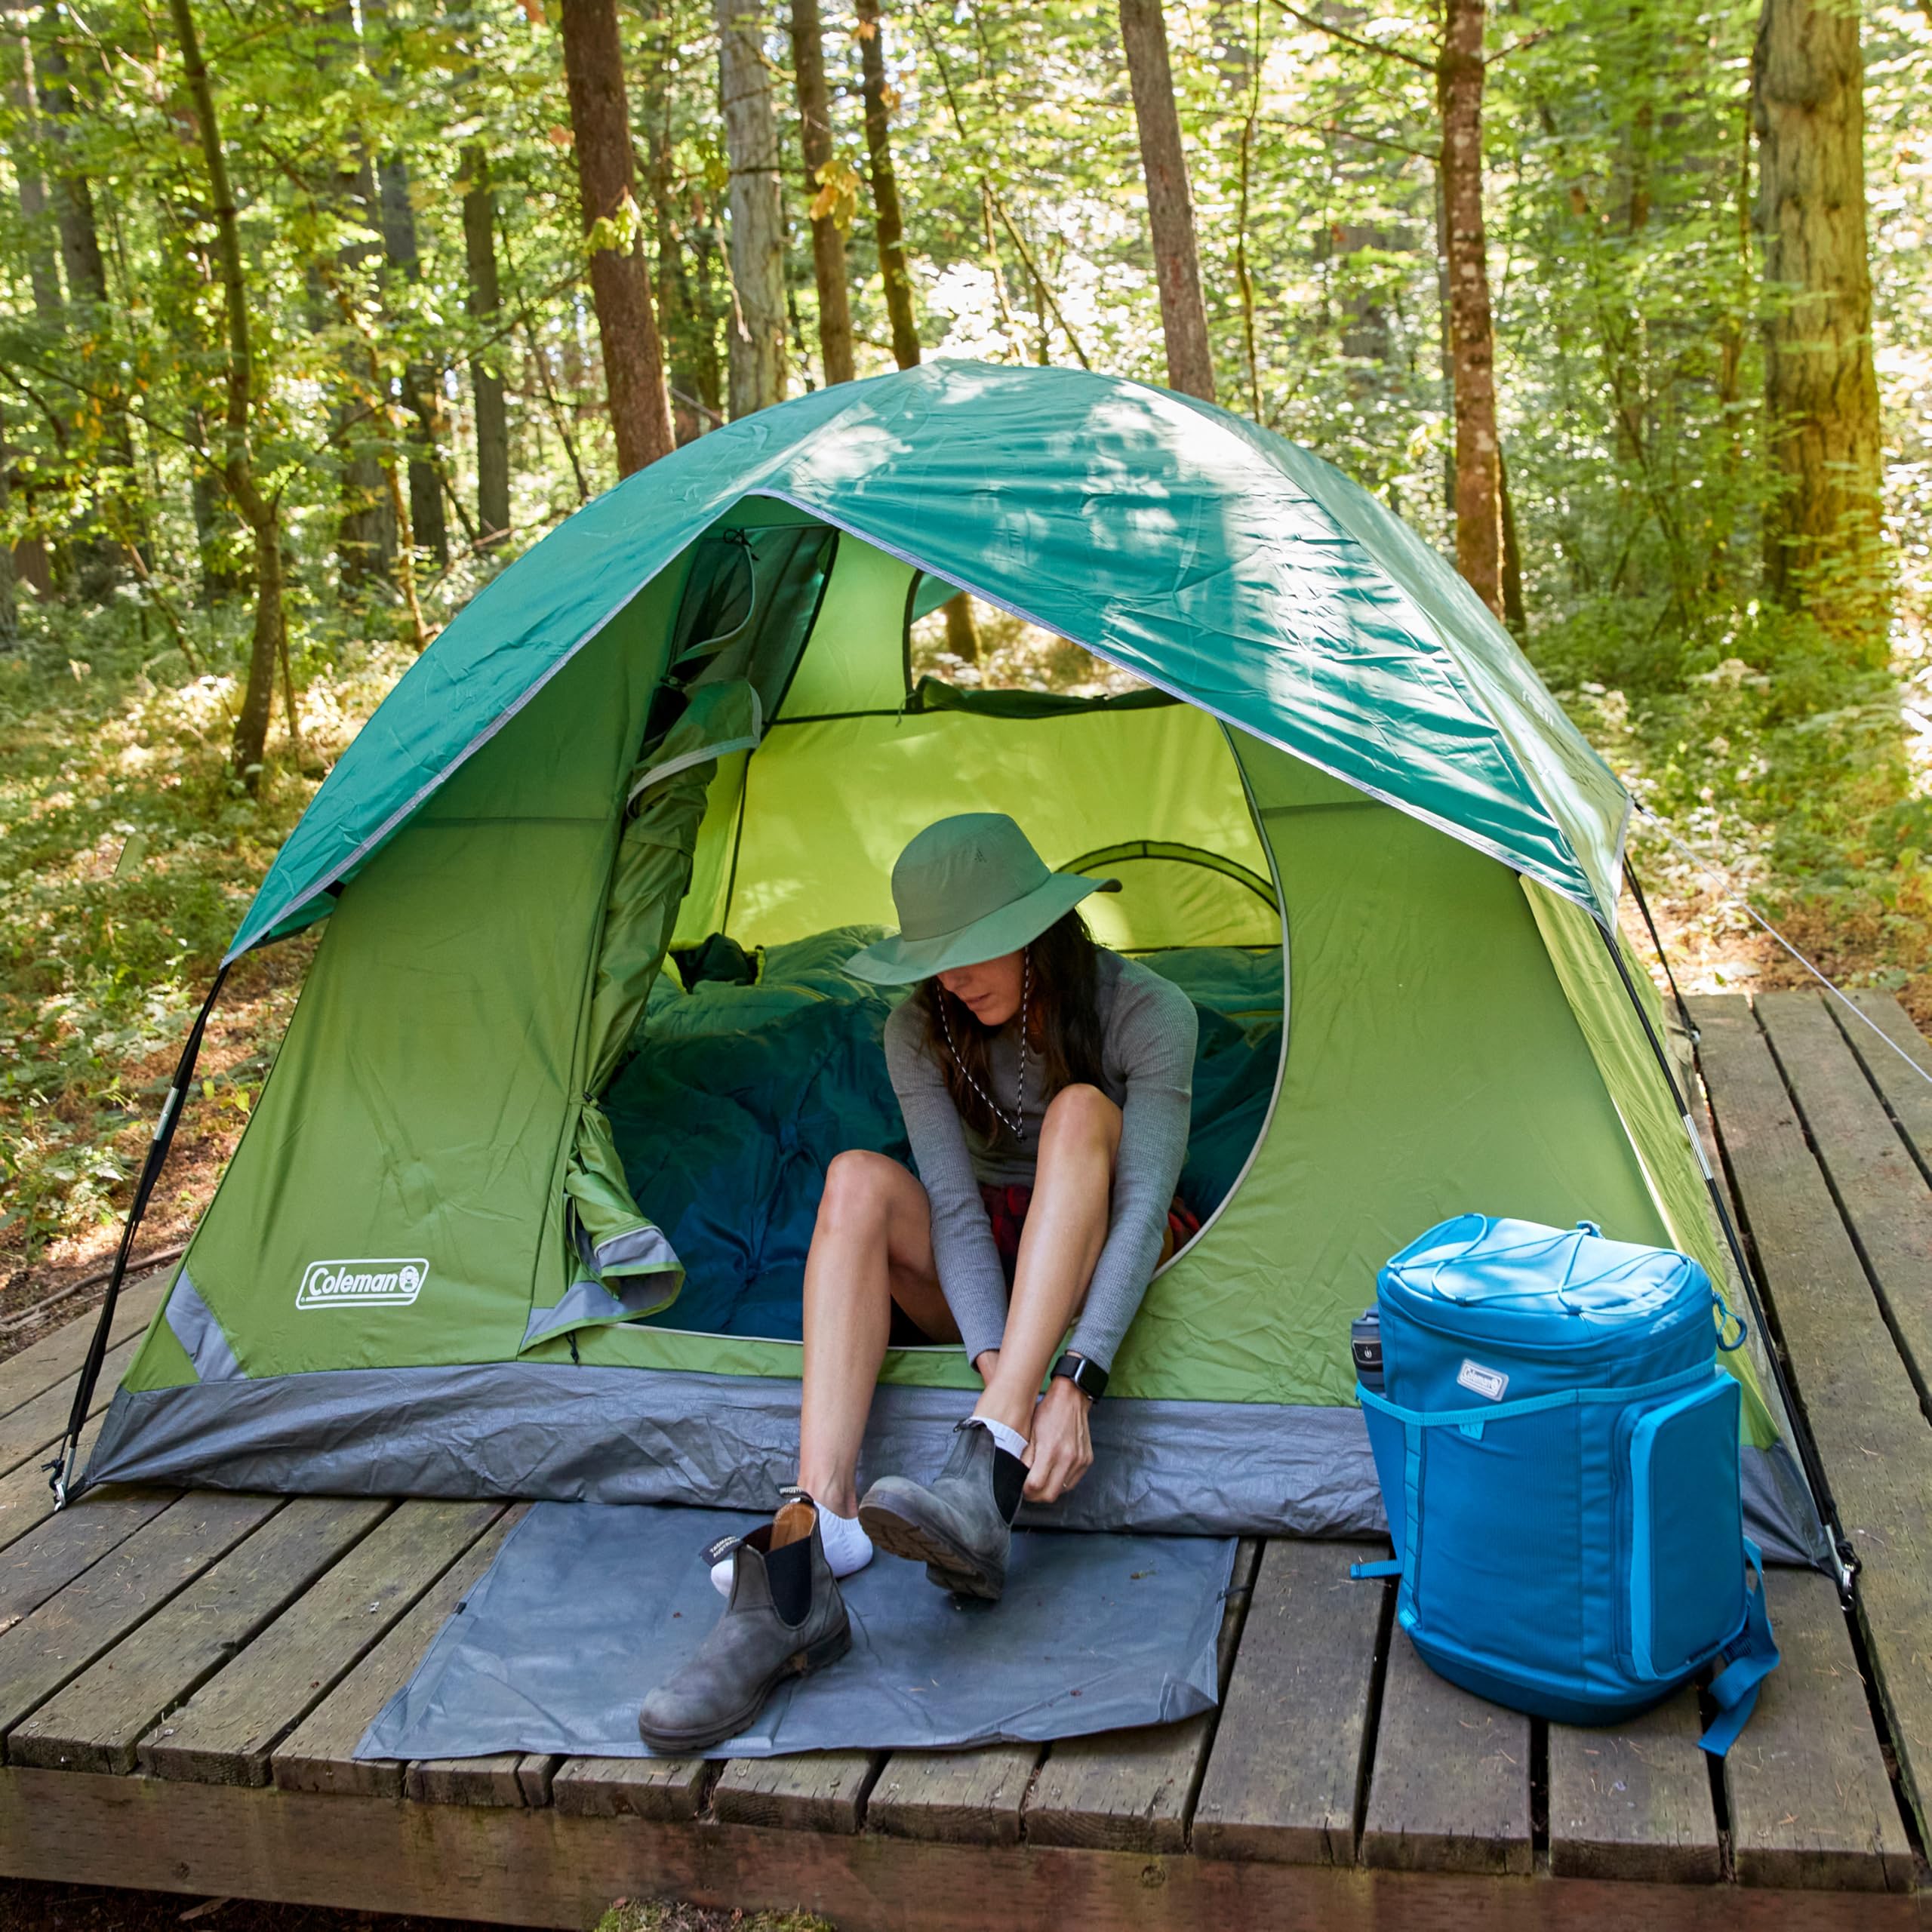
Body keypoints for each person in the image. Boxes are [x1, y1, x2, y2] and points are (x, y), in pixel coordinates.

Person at [638, 813, 1198, 1752]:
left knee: (1077, 1110)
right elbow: (948, 1208)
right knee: (856, 1177)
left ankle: (990, 1453)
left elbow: (1142, 1210)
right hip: (989, 1254)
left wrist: (1077, 1379)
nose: (951, 975)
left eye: (974, 950)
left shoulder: (1147, 1010)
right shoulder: (919, 1028)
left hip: (1105, 1236)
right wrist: (997, 1359)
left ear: (1035, 926)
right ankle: (811, 1537)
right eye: (935, 956)